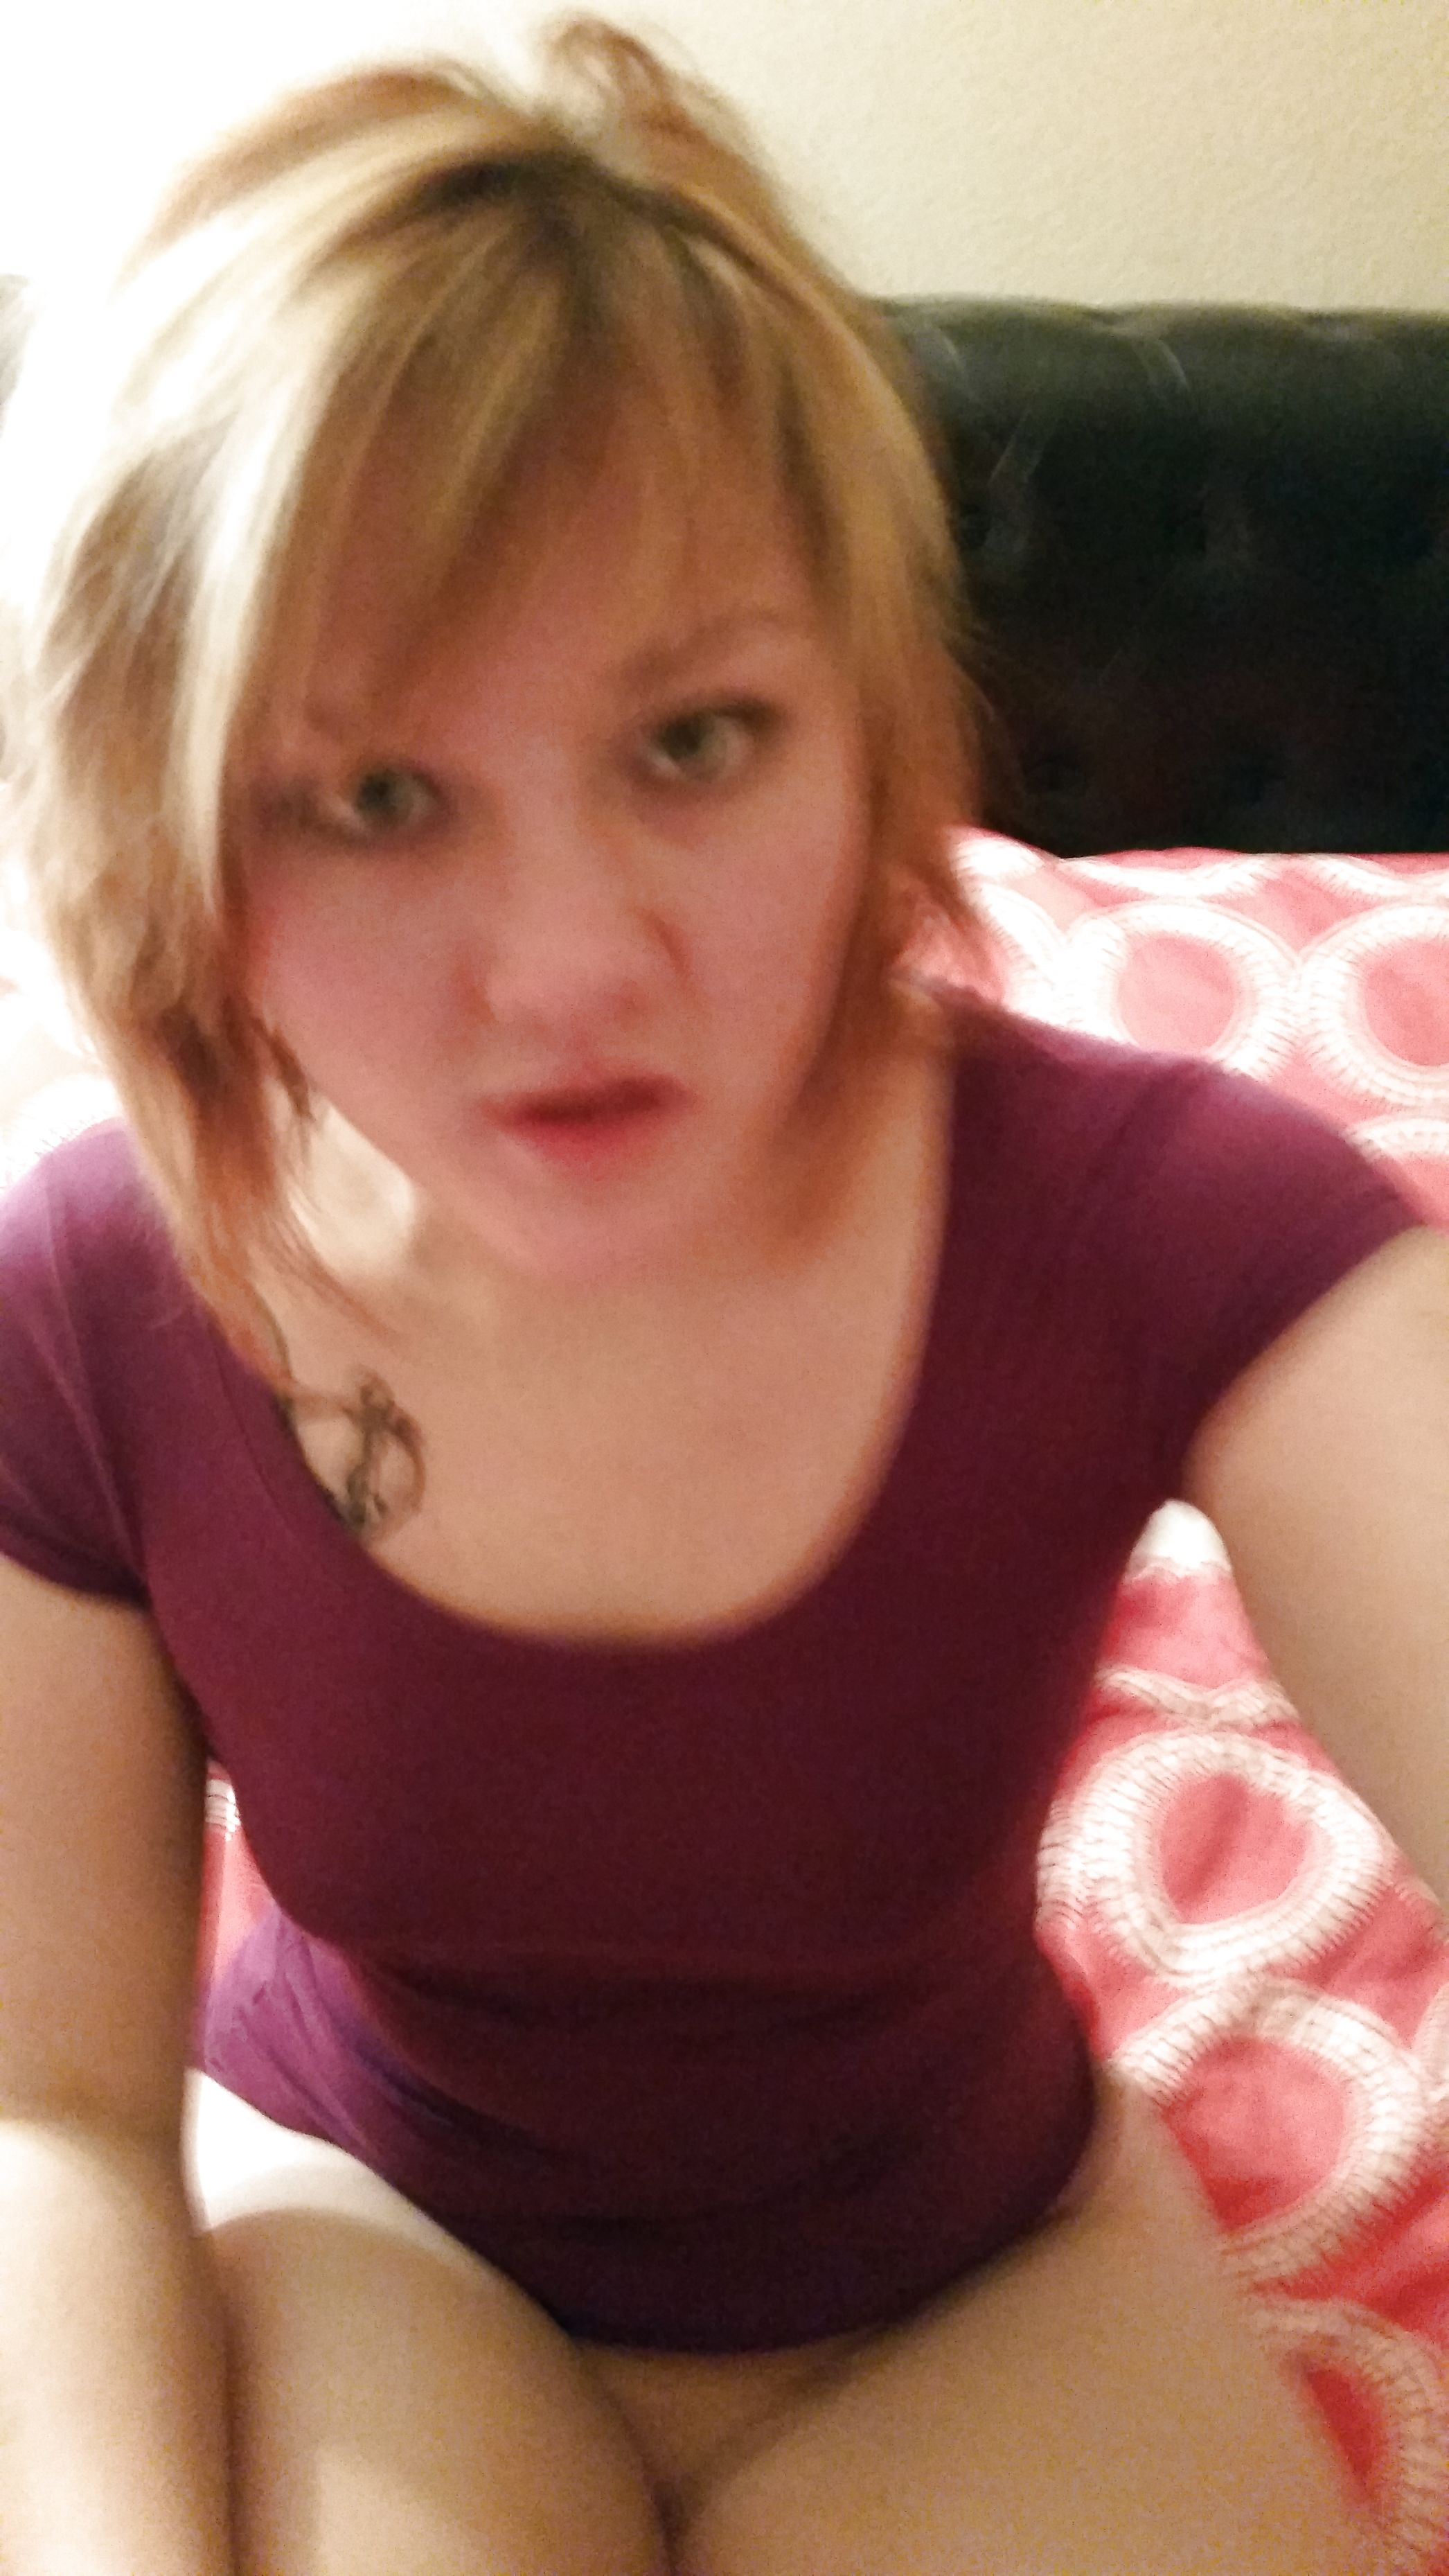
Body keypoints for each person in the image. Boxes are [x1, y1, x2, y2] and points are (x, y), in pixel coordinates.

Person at [0, 21, 1437, 2573]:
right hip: (379, 2233)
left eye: (693, 741)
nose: (569, 967)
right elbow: (48, 2113)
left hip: (967, 2274)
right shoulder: (91, 1310)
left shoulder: (1156, 1230)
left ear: (869, 725)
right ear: (172, 840)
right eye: (376, 795)